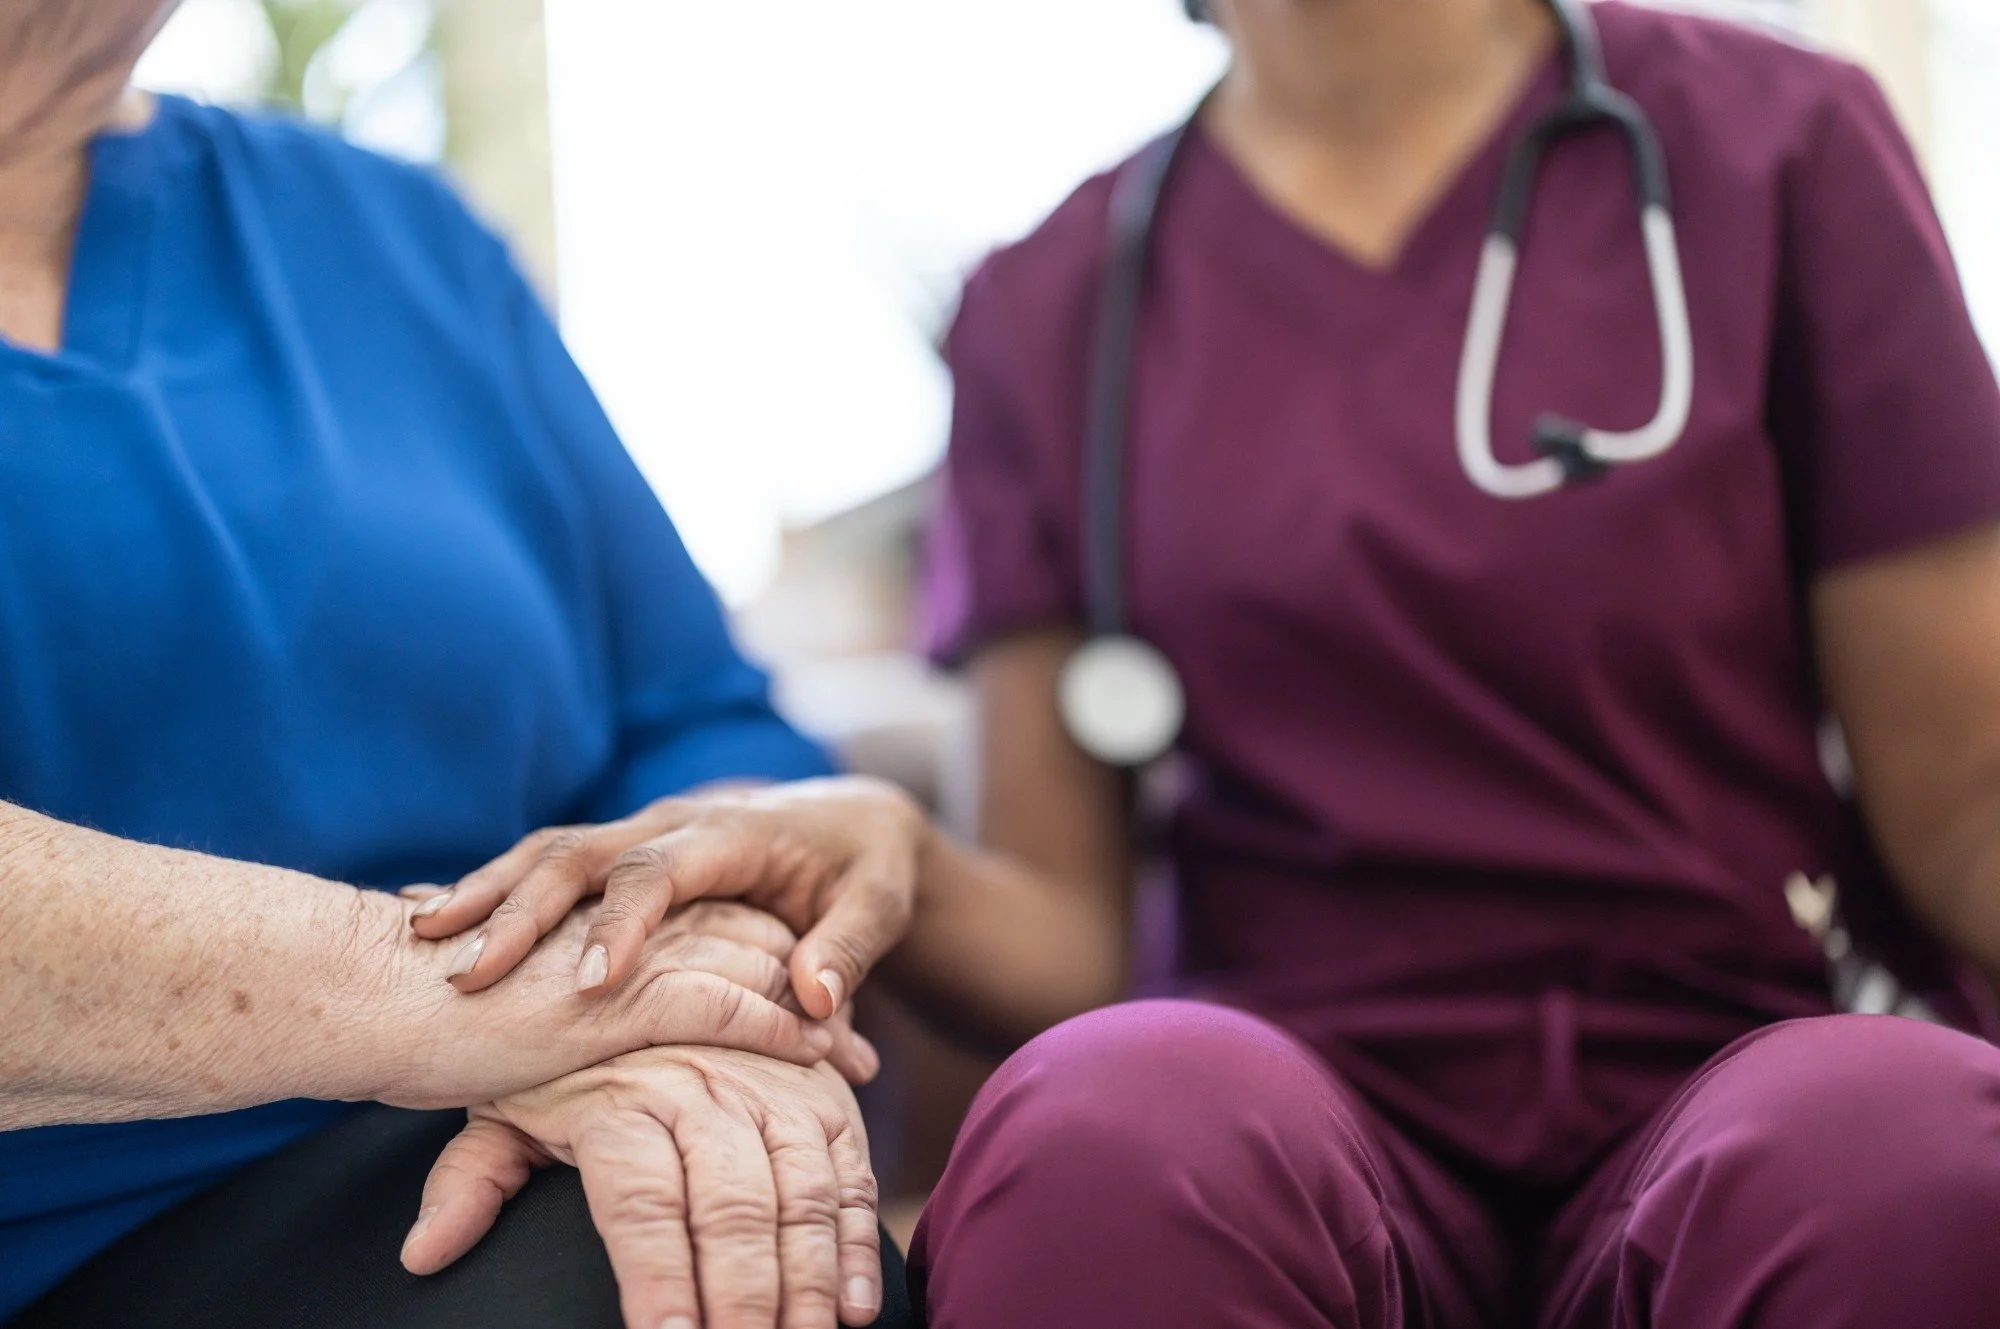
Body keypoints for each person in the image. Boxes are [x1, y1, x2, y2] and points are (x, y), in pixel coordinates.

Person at [433, 0, 2000, 1326]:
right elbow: (1069, 938)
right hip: (1300, 1133)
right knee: (1109, 1131)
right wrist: (892, 847)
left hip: (1734, 1066)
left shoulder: (1782, 149)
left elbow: (1968, 812)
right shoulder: (1052, 304)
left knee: (1890, 1146)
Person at [0, 4, 918, 1327]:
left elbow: (696, 719)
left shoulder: (401, 242)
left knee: (746, 1265)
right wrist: (470, 1001)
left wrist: (701, 974)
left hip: (449, 1150)